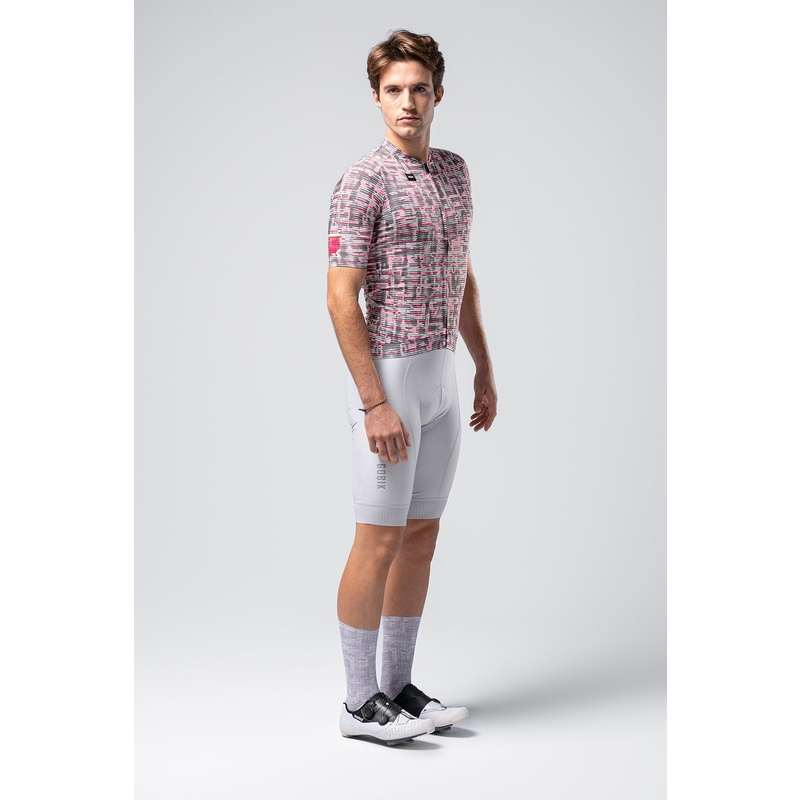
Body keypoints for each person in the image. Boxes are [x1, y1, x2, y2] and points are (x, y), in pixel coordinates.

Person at [327, 29, 497, 746]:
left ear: (438, 94)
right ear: (376, 97)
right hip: (390, 378)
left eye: (419, 88)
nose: (407, 101)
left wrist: (483, 366)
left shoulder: (455, 171)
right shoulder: (362, 181)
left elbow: (462, 275)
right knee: (377, 540)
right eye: (393, 89)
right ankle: (357, 704)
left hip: (442, 377)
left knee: (421, 537)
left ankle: (396, 689)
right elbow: (340, 298)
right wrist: (374, 402)